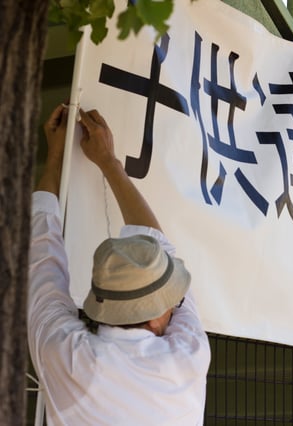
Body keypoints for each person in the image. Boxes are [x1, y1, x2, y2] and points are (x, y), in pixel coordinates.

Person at [28, 104, 211, 425]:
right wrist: (109, 162)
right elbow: (154, 240)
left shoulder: (72, 358)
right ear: (155, 315)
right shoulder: (189, 358)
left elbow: (42, 260)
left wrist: (56, 156)